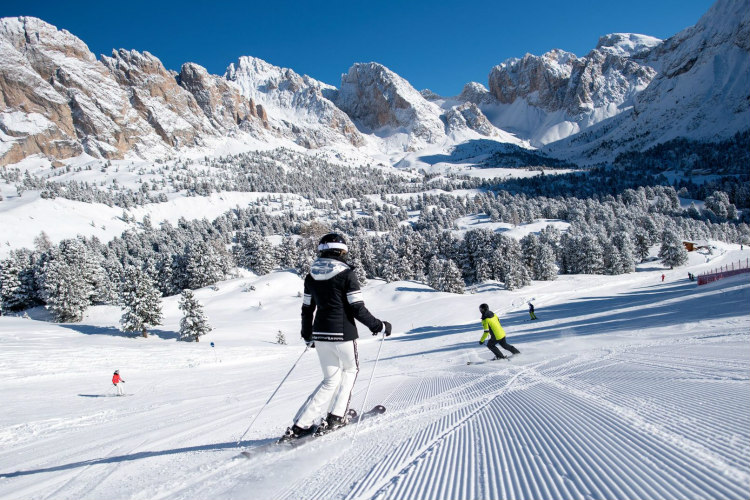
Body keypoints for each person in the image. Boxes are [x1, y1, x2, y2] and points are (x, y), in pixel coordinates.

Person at [282, 233, 392, 441]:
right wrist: (379, 326)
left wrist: (308, 335)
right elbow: (357, 308)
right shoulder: (347, 274)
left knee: (330, 380)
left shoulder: (310, 276)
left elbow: (307, 309)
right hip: (343, 333)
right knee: (351, 370)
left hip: (320, 334)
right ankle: (336, 417)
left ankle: (301, 425)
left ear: (322, 251)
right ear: (341, 251)